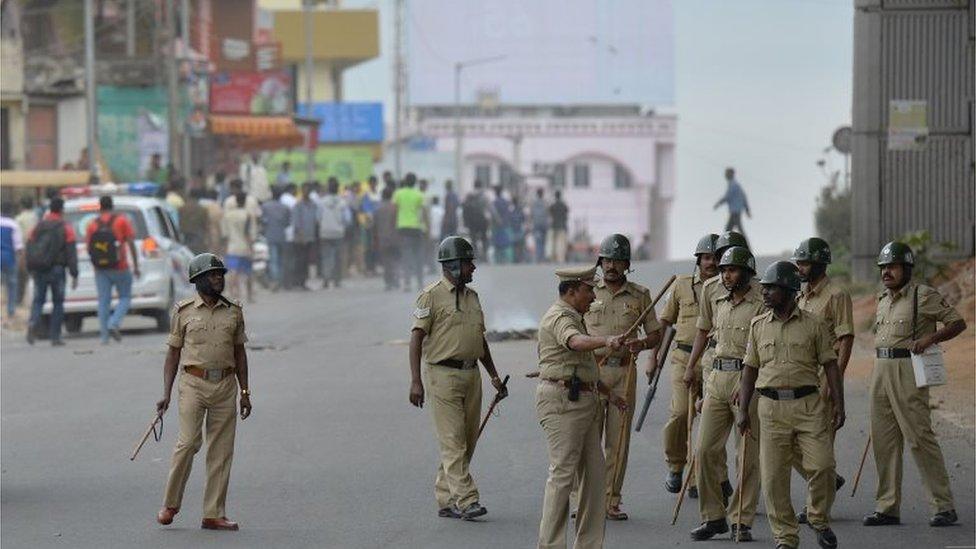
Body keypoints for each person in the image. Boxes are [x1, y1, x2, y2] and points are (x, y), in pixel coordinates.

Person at [738, 261, 843, 549]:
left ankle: (818, 518)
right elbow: (749, 369)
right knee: (773, 479)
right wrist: (742, 410)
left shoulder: (815, 325)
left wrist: (839, 404)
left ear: (789, 290)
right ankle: (785, 537)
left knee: (822, 466)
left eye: (772, 288)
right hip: (770, 410)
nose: (766, 293)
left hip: (809, 405)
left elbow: (831, 366)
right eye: (765, 288)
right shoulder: (758, 326)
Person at [863, 241, 965, 528]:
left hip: (908, 370)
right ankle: (887, 508)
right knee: (883, 442)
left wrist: (930, 339)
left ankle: (943, 506)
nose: (886, 272)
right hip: (880, 370)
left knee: (920, 438)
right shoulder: (881, 299)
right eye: (883, 268)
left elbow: (957, 323)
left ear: (907, 268)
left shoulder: (924, 295)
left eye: (892, 267)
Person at [408, 236, 507, 520]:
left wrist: (494, 376)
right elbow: (416, 339)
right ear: (452, 265)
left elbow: (480, 339)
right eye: (468, 263)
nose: (473, 268)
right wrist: (416, 381)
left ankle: (446, 497)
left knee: (466, 440)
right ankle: (467, 500)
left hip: (471, 374)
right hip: (442, 376)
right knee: (453, 442)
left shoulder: (473, 297)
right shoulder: (430, 295)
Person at [535, 265, 631, 549]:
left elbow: (583, 368)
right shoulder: (560, 317)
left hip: (584, 400)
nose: (594, 296)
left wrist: (609, 395)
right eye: (589, 290)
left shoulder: (576, 316)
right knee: (563, 475)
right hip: (564, 403)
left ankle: (589, 544)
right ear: (572, 290)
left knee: (594, 476)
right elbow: (574, 343)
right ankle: (550, 545)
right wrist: (606, 340)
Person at [156, 253, 251, 531]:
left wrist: (245, 391)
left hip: (225, 385)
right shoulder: (183, 312)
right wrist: (166, 393)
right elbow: (172, 355)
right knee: (188, 444)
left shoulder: (234, 310)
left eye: (220, 274)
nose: (218, 279)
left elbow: (240, 353)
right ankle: (170, 503)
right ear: (198, 281)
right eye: (212, 275)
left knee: (221, 450)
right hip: (193, 384)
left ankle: (213, 513)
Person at [571, 234, 662, 521]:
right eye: (606, 260)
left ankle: (610, 500)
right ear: (600, 263)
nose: (611, 265)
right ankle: (582, 500)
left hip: (624, 373)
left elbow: (656, 334)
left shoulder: (640, 295)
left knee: (618, 441)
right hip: (591, 371)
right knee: (587, 440)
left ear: (626, 264)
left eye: (617, 260)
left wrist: (642, 345)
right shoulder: (586, 292)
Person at [683, 245, 766, 542]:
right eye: (723, 270)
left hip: (748, 379)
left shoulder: (761, 300)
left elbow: (766, 347)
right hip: (717, 377)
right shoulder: (715, 296)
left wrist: (752, 383)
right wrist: (695, 370)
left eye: (731, 270)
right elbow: (705, 334)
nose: (726, 276)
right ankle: (713, 517)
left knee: (747, 455)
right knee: (704, 449)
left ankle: (740, 520)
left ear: (747, 272)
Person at [790, 237, 854, 524]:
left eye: (804, 263)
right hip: (800, 380)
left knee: (820, 446)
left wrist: (833, 384)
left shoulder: (837, 295)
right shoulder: (801, 297)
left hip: (823, 379)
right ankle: (829, 481)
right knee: (790, 442)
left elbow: (845, 340)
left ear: (818, 264)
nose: (799, 268)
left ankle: (817, 508)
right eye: (798, 263)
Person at [655, 234, 719, 497]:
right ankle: (675, 465)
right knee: (681, 414)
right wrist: (653, 357)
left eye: (716, 258)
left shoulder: (726, 288)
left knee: (710, 422)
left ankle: (697, 476)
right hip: (682, 359)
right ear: (699, 260)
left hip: (715, 361)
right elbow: (665, 323)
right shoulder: (681, 285)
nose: (711, 263)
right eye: (706, 258)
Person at [85, 195, 140, 344]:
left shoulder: (92, 224)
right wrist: (135, 266)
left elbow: (89, 248)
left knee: (104, 301)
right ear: (112, 206)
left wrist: (96, 264)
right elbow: (130, 243)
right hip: (120, 266)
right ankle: (114, 323)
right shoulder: (121, 221)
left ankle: (104, 337)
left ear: (100, 206)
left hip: (100, 269)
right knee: (125, 297)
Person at [25, 197, 78, 346]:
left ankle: (33, 323)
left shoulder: (39, 226)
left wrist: (31, 268)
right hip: (57, 269)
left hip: (39, 269)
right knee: (58, 303)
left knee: (38, 300)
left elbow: (29, 245)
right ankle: (55, 337)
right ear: (61, 210)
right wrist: (74, 273)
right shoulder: (65, 227)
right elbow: (71, 251)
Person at [392, 173, 429, 292]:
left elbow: (394, 211)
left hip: (402, 228)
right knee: (418, 255)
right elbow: (424, 213)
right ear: (415, 182)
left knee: (405, 256)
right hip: (416, 228)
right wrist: (427, 227)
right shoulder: (419, 194)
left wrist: (393, 226)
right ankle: (419, 282)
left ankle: (407, 283)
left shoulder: (398, 194)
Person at [221, 193, 257, 303]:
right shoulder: (248, 215)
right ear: (245, 201)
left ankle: (233, 295)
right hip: (245, 247)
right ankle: (250, 296)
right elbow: (249, 233)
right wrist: (251, 248)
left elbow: (225, 235)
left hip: (232, 247)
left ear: (235, 201)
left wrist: (224, 249)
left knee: (233, 272)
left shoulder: (227, 216)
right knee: (248, 272)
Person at [317, 178, 347, 289]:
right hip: (338, 232)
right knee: (338, 257)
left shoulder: (321, 202)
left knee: (326, 257)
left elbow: (318, 217)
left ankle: (326, 279)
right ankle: (337, 280)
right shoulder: (342, 202)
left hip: (325, 232)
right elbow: (347, 219)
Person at [260, 188, 291, 291]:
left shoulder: (265, 206)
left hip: (270, 236)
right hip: (282, 236)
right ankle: (280, 281)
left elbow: (263, 221)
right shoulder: (285, 207)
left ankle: (276, 280)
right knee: (281, 260)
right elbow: (288, 223)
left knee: (273, 259)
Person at [291, 183, 319, 291]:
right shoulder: (298, 205)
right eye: (304, 190)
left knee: (306, 260)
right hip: (300, 238)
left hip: (310, 237)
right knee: (300, 260)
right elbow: (296, 223)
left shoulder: (313, 205)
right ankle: (298, 281)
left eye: (308, 190)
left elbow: (315, 220)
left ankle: (303, 281)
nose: (306, 192)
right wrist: (301, 236)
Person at [1, 202, 25, 324]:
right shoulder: (14, 225)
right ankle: (10, 311)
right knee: (12, 285)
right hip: (9, 258)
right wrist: (21, 261)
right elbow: (18, 246)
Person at [374, 187, 400, 291]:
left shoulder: (378, 209)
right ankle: (396, 279)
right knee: (396, 260)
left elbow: (374, 226)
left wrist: (375, 239)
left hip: (383, 238)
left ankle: (388, 282)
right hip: (395, 237)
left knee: (386, 261)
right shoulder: (396, 208)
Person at [15, 196, 38, 305]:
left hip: (23, 249)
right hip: (37, 248)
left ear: (22, 206)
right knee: (34, 275)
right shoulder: (36, 217)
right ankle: (33, 299)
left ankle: (19, 300)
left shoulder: (19, 219)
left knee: (21, 277)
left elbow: (18, 237)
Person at [713, 168, 751, 237]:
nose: (725, 175)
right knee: (729, 229)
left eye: (727, 173)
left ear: (731, 174)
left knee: (731, 230)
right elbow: (744, 197)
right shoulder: (734, 184)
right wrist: (747, 209)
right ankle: (746, 246)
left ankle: (746, 246)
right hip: (735, 211)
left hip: (735, 212)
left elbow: (727, 197)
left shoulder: (733, 185)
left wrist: (718, 203)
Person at [461, 180, 490, 260]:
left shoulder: (469, 195)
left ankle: (476, 256)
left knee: (473, 239)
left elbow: (464, 207)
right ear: (481, 185)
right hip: (482, 220)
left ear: (474, 185)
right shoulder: (484, 195)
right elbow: (488, 208)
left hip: (472, 221)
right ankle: (484, 256)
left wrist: (465, 221)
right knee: (484, 238)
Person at [180, 190, 211, 254]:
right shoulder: (202, 209)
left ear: (189, 196)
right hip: (197, 235)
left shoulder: (182, 208)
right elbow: (205, 224)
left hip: (184, 234)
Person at [490, 186, 513, 264]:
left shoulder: (494, 202)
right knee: (504, 242)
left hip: (496, 225)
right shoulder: (506, 202)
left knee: (497, 243)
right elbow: (508, 213)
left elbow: (492, 214)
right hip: (505, 225)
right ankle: (506, 259)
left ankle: (497, 260)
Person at [549, 191, 569, 263]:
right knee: (561, 243)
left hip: (554, 226)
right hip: (562, 226)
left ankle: (553, 258)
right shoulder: (564, 205)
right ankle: (561, 258)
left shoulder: (552, 205)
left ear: (555, 196)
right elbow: (567, 214)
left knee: (554, 243)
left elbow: (550, 214)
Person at [530, 188, 549, 263]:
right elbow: (548, 213)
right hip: (544, 225)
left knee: (538, 241)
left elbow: (531, 214)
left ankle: (538, 257)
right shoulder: (545, 202)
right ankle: (542, 257)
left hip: (536, 224)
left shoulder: (533, 203)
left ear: (537, 194)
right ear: (542, 194)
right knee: (544, 242)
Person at [428, 196, 445, 272]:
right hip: (440, 232)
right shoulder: (441, 210)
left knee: (432, 251)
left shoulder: (430, 210)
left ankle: (433, 267)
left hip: (431, 232)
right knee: (439, 250)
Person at [510, 196, 527, 264]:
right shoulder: (520, 209)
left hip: (513, 230)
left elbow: (510, 220)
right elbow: (523, 219)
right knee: (520, 245)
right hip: (519, 229)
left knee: (514, 246)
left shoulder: (511, 210)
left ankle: (515, 259)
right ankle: (520, 259)